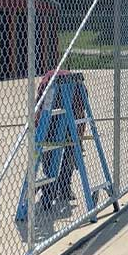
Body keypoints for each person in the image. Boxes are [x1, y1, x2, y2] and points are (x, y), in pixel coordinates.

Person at [35, 69, 86, 208]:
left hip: (66, 115)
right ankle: (53, 186)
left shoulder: (77, 87)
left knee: (68, 148)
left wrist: (78, 142)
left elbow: (80, 115)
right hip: (50, 115)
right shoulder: (47, 86)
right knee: (53, 150)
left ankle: (61, 186)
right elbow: (39, 114)